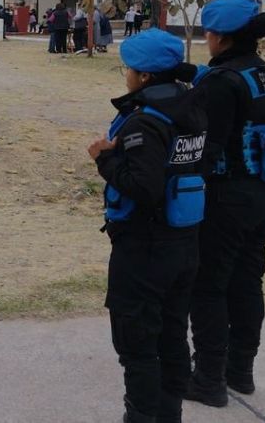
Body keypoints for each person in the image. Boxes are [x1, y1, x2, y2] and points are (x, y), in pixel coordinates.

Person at [88, 28, 206, 423]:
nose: (126, 75)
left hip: (145, 249)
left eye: (130, 68)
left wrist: (104, 159)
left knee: (137, 345)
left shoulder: (143, 123)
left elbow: (144, 187)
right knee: (172, 336)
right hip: (184, 242)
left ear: (146, 77)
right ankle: (169, 415)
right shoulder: (192, 108)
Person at [186, 0, 265, 408]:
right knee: (248, 283)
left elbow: (208, 149)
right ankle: (240, 372)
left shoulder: (220, 82)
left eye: (209, 33)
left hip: (227, 198)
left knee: (209, 287)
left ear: (219, 36)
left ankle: (208, 380)